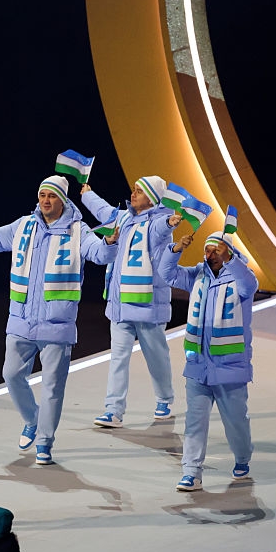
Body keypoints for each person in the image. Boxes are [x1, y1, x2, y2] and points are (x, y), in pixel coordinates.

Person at [0, 175, 116, 466]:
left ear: (63, 200)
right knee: (11, 375)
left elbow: (98, 254)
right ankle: (32, 419)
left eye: (52, 196)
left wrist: (110, 241)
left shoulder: (77, 230)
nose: (45, 201)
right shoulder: (24, 226)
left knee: (52, 388)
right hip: (21, 320)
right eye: (42, 195)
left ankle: (45, 442)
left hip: (57, 325)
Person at [159, 230, 258, 491]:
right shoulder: (198, 275)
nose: (210, 255)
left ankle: (242, 458)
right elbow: (166, 274)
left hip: (229, 367)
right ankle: (191, 471)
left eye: (216, 250)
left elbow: (250, 285)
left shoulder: (240, 278)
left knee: (236, 423)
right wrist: (176, 248)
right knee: (194, 421)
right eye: (208, 250)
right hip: (198, 365)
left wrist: (232, 260)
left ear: (228, 252)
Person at [80, 175, 181, 428]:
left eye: (139, 191)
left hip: (148, 305)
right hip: (121, 304)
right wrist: (86, 194)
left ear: (152, 198)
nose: (133, 194)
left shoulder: (159, 221)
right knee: (118, 357)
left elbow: (162, 228)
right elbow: (104, 210)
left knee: (156, 356)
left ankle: (165, 399)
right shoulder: (124, 217)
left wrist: (170, 222)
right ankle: (113, 410)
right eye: (133, 189)